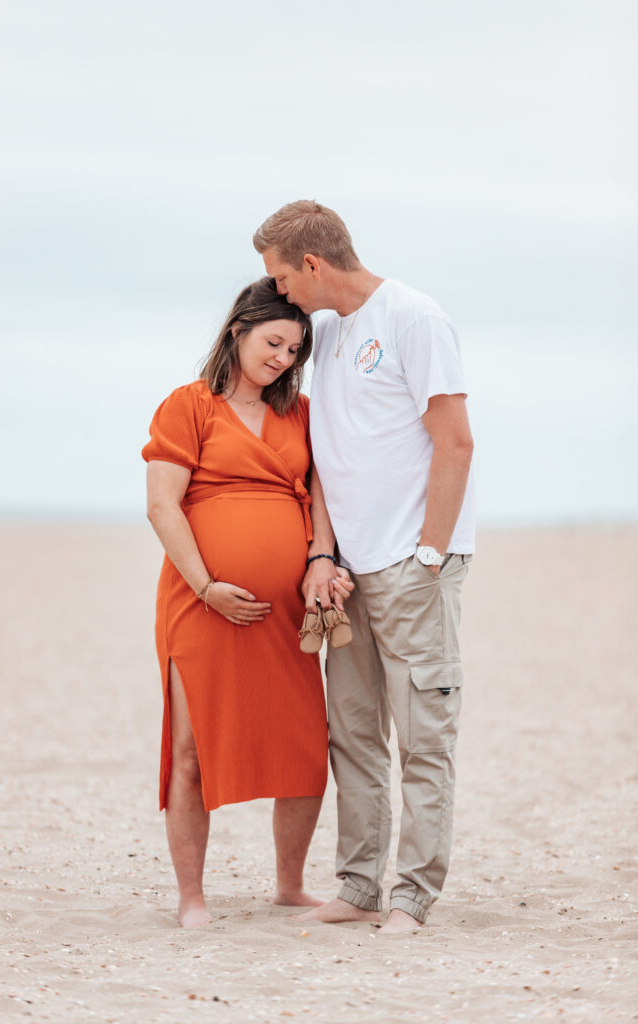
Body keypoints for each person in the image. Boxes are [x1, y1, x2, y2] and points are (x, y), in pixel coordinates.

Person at [253, 200, 476, 933]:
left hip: (412, 565)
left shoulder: (413, 318)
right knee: (352, 735)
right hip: (346, 574)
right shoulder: (327, 332)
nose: (279, 292)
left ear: (311, 264)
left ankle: (412, 895)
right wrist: (322, 552)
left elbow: (454, 443)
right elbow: (326, 459)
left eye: (282, 277)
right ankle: (358, 886)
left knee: (422, 737)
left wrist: (428, 554)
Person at [142, 277, 351, 928]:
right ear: (239, 330)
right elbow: (160, 504)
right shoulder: (187, 406)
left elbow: (322, 492)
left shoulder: (302, 413)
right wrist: (206, 585)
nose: (283, 358)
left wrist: (319, 555)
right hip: (199, 604)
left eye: (294, 349)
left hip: (287, 613)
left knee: (301, 745)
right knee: (190, 748)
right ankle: (191, 898)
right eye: (274, 341)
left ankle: (289, 886)